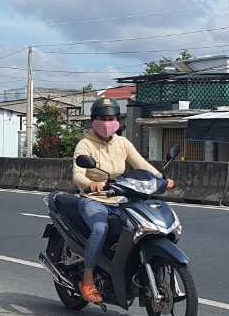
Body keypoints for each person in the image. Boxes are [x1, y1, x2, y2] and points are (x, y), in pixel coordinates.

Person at [71, 97, 174, 303]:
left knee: (141, 226)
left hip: (121, 198)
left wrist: (162, 179)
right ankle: (88, 276)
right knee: (100, 229)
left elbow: (141, 165)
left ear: (118, 120)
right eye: (102, 118)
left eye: (111, 118)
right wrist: (90, 184)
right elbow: (77, 174)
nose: (107, 122)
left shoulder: (122, 142)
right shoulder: (85, 144)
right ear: (93, 120)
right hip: (94, 199)